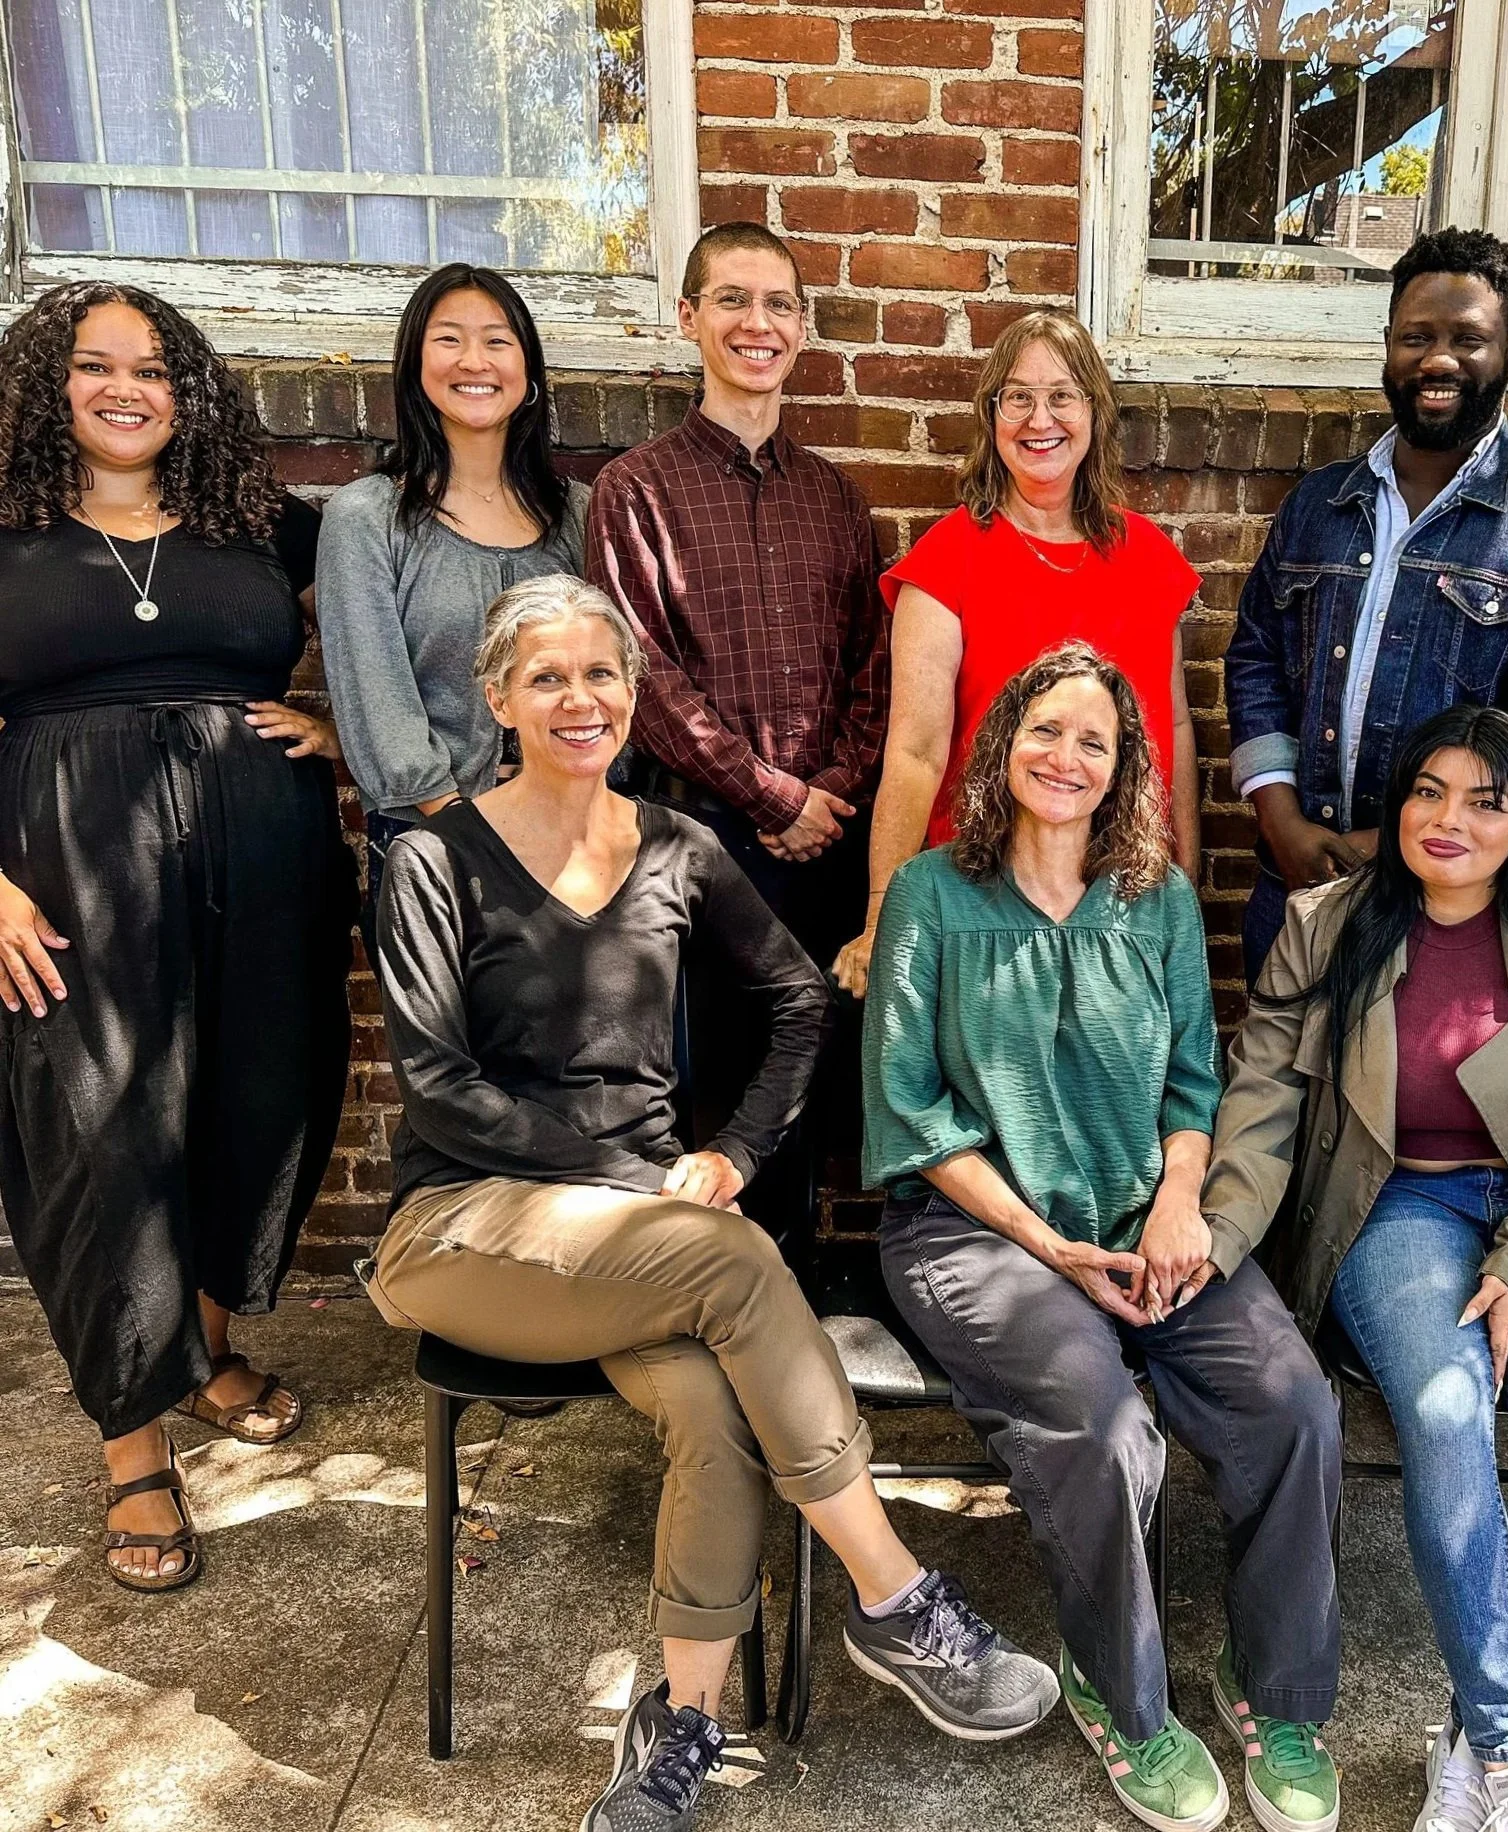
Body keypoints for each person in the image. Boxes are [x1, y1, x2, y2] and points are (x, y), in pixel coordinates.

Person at [366, 574, 1058, 1832]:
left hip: (646, 1243)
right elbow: (440, 1089)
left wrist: (733, 1152)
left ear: (632, 694)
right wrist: (655, 1185)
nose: (579, 698)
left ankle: (677, 1724)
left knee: (715, 1402)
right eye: (547, 676)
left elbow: (800, 1000)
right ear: (498, 697)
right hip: (468, 1223)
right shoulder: (430, 857)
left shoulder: (677, 847)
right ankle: (895, 1594)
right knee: (734, 1264)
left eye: (601, 673)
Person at [865, 643, 1342, 1832]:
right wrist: (1050, 1246)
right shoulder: (929, 892)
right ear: (1001, 747)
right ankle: (1119, 1692)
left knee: (1293, 1403)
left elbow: (1192, 1083)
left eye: (1095, 739)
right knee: (1105, 1428)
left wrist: (1180, 1201)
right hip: (974, 1229)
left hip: (1141, 1217)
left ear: (1124, 766)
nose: (1066, 756)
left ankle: (1271, 1685)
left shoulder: (1158, 897)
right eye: (1044, 730)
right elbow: (910, 1113)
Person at [1205, 705, 1508, 1832]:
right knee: (1445, 1411)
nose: (1447, 819)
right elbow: (1260, 1102)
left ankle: (1480, 1736)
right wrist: (1214, 1238)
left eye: (1484, 801)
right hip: (1394, 1202)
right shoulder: (1326, 925)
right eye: (1427, 790)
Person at [0, 282, 355, 1590]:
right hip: (68, 874)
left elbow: (406, 625)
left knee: (262, 1104)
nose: (125, 388)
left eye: (151, 368)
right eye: (95, 365)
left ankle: (201, 1349)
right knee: (106, 1142)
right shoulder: (8, 532)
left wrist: (345, 730)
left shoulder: (261, 521)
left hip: (265, 859)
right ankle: (134, 1446)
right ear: (51, 384)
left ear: (186, 389)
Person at [1225, 227, 1508, 989]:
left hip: (1459, 908)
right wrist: (1280, 820)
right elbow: (1255, 662)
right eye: (1417, 337)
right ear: (1388, 347)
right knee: (1280, 1065)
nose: (1438, 360)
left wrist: (1393, 843)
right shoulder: (1318, 506)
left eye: (1467, 339)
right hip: (1296, 889)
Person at [588, 221, 887, 1239]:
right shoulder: (636, 489)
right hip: (698, 838)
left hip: (827, 843)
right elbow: (641, 675)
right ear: (688, 317)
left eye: (778, 304)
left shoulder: (836, 499)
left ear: (802, 326)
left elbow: (872, 665)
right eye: (731, 299)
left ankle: (794, 1283)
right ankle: (710, 1290)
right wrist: (772, 796)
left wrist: (828, 793)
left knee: (814, 1071)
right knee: (706, 1081)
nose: (757, 323)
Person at [832, 306, 1202, 1000]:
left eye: (1062, 396)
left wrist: (1186, 884)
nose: (1041, 419)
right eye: (1019, 398)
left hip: (1121, 897)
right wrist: (883, 912)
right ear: (991, 415)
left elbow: (1172, 730)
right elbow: (915, 752)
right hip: (985, 899)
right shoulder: (948, 561)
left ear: (1094, 412)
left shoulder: (1150, 559)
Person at [317, 261, 588, 953]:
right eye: (449, 339)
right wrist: (460, 820)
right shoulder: (367, 518)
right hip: (433, 839)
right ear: (415, 366)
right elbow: (374, 691)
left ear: (528, 369)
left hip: (576, 833)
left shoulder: (580, 516)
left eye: (497, 340)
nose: (474, 361)